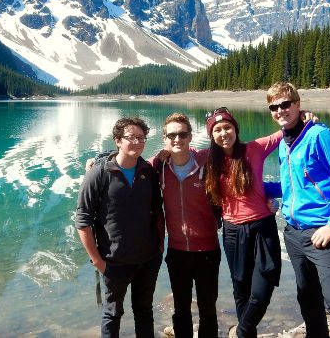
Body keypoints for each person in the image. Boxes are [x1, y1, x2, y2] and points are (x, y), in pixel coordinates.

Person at [266, 82, 330, 338]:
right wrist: (258, 190)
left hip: (322, 232)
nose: (280, 110)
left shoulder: (320, 135)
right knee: (307, 299)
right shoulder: (284, 143)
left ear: (298, 105)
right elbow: (292, 186)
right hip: (293, 233)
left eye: (285, 104)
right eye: (274, 107)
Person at [75, 117, 164, 338]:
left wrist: (159, 250)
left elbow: (157, 212)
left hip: (147, 259)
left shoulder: (147, 171)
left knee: (144, 311)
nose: (136, 142)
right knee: (112, 314)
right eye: (130, 137)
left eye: (141, 138)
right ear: (117, 140)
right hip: (114, 262)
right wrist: (97, 261)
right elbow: (83, 220)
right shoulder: (99, 173)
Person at [204, 107, 283, 338]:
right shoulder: (208, 160)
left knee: (264, 285)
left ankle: (242, 331)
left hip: (263, 226)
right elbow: (177, 154)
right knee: (241, 288)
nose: (223, 133)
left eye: (227, 127)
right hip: (232, 231)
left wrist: (305, 116)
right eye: (217, 130)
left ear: (235, 129)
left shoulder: (254, 149)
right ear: (211, 135)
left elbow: (285, 131)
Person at [149, 113, 221, 338]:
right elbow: (128, 163)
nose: (177, 139)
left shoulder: (206, 160)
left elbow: (243, 153)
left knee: (208, 309)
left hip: (208, 250)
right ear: (164, 138)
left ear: (190, 136)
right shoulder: (159, 167)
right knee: (180, 310)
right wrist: (100, 160)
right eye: (171, 135)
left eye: (182, 134)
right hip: (177, 251)